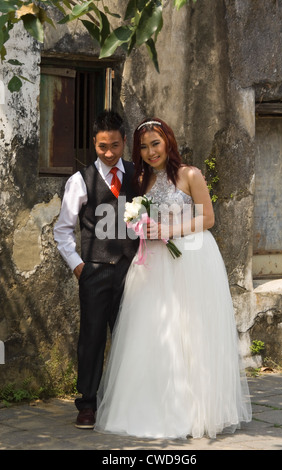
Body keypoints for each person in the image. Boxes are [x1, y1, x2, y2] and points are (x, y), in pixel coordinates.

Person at [94, 117, 252, 439]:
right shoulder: (140, 180)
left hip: (190, 259)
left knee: (190, 330)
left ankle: (195, 409)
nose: (151, 151)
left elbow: (207, 218)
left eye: (156, 143)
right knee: (153, 331)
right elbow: (135, 218)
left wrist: (168, 230)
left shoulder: (190, 175)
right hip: (152, 262)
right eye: (144, 146)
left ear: (168, 142)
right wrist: (142, 226)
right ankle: (150, 407)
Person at [54, 111, 139, 429]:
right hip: (94, 271)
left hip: (131, 271)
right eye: (102, 146)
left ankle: (125, 400)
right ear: (94, 143)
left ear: (124, 141)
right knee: (91, 338)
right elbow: (62, 230)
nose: (109, 153)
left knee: (130, 336)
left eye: (115, 145)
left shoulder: (137, 175)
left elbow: (148, 223)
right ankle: (87, 404)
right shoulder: (80, 180)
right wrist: (78, 267)